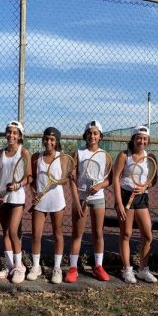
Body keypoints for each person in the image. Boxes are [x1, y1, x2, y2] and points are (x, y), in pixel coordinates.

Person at [112, 125, 158, 284]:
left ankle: (143, 270)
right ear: (133, 139)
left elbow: (152, 180)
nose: (142, 141)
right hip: (125, 198)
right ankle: (127, 270)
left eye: (145, 138)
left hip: (141, 199)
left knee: (148, 235)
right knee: (126, 234)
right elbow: (116, 179)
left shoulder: (149, 156)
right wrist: (118, 201)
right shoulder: (124, 155)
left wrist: (145, 186)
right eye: (139, 138)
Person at [68, 121, 111, 283]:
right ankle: (73, 268)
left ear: (100, 136)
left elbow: (109, 179)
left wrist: (100, 185)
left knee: (98, 233)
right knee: (77, 234)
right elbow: (72, 179)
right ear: (85, 135)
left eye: (95, 133)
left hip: (98, 199)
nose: (92, 136)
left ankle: (98, 266)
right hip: (81, 199)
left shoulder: (105, 155)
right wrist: (76, 201)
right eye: (89, 133)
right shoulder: (78, 153)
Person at [28, 127, 68, 284]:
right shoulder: (35, 157)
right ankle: (36, 266)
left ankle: (57, 268)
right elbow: (32, 180)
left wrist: (59, 180)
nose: (49, 142)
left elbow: (64, 179)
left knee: (57, 234)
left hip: (57, 201)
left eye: (52, 139)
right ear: (43, 140)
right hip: (40, 202)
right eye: (46, 139)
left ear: (57, 141)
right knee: (36, 235)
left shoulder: (62, 157)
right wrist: (33, 194)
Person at [0, 120, 30, 284]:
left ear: (20, 135)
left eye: (15, 132)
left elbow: (28, 177)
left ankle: (19, 266)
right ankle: (8, 266)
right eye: (9, 132)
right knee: (5, 232)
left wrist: (18, 185)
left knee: (14, 231)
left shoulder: (24, 152)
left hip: (17, 198)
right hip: (2, 198)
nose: (11, 135)